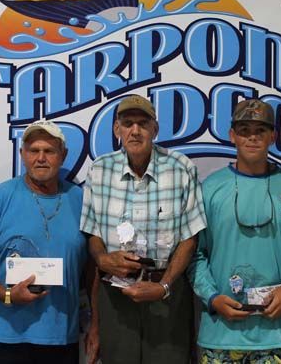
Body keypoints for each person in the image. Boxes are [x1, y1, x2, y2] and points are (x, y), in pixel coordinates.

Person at [189, 98, 281, 364]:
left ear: (273, 136)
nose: (252, 137)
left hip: (277, 335)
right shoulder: (210, 189)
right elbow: (195, 254)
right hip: (222, 336)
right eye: (244, 130)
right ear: (232, 135)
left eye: (260, 130)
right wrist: (212, 298)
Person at [0, 120, 99, 364]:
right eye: (34, 150)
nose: (41, 158)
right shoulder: (1, 196)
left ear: (63, 155)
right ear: (22, 154)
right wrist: (4, 294)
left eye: (49, 151)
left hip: (60, 337)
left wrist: (96, 324)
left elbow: (92, 267)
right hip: (1, 337)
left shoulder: (80, 199)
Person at [80, 95, 207, 364]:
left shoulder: (181, 168)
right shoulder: (99, 170)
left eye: (143, 123)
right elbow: (92, 232)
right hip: (115, 293)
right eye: (128, 123)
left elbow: (190, 239)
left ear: (155, 129)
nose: (135, 131)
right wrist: (102, 259)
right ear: (117, 129)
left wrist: (163, 286)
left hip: (166, 293)